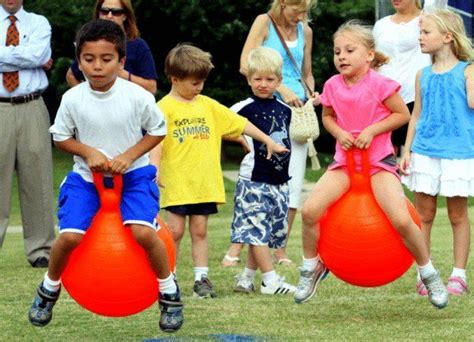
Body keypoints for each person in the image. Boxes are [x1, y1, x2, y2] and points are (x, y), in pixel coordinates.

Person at [27, 20, 183, 333]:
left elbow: (158, 131)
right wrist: (87, 152)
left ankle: (168, 293)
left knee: (142, 233)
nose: (97, 66)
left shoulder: (137, 96)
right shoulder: (73, 99)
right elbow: (60, 136)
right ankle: (49, 289)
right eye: (89, 59)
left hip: (135, 177)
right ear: (79, 59)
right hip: (86, 179)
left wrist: (129, 156)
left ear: (121, 61)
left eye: (106, 59)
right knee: (69, 236)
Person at [293, 20, 448, 309]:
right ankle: (311, 267)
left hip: (378, 164)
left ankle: (428, 272)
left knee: (402, 219)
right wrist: (339, 133)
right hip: (344, 165)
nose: (341, 56)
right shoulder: (332, 85)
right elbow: (327, 117)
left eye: (349, 50)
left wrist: (372, 130)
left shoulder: (380, 84)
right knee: (311, 211)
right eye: (337, 51)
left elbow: (401, 115)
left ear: (368, 55)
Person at [149, 44, 289, 299]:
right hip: (177, 183)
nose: (199, 87)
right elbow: (156, 141)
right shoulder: (163, 108)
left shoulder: (208, 105)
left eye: (202, 82)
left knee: (200, 230)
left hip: (204, 183)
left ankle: (201, 279)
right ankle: (169, 278)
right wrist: (154, 169)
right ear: (175, 79)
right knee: (175, 231)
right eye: (194, 83)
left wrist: (266, 140)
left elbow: (240, 124)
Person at [222, 0, 319, 268]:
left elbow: (306, 74)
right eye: (297, 11)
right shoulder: (263, 22)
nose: (301, 18)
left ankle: (280, 249)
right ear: (283, 3)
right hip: (267, 110)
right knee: (258, 180)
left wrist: (311, 93)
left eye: (305, 13)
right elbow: (245, 65)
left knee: (292, 182)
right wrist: (279, 89)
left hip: (296, 116)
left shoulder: (305, 31)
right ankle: (237, 245)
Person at [400, 9, 474, 296]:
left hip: (458, 153)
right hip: (425, 152)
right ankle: (425, 272)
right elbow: (416, 116)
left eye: (425, 32)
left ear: (447, 37)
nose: (420, 38)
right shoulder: (423, 75)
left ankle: (458, 275)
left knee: (457, 215)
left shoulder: (468, 70)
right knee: (424, 215)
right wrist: (406, 151)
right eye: (420, 32)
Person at [231, 47, 296, 295]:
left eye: (269, 79)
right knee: (256, 230)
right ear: (249, 79)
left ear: (279, 81)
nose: (263, 84)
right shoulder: (243, 107)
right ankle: (270, 281)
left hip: (279, 180)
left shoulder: (285, 110)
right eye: (257, 79)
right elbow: (223, 123)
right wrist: (240, 140)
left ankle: (246, 277)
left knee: (264, 232)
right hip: (254, 180)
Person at [0, 0, 55, 268]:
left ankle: (41, 249)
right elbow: (34, 57)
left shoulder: (39, 23)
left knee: (38, 179)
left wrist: (8, 55)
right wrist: (30, 56)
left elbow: (38, 55)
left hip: (32, 104)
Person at [373, 0, 431, 156]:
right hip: (385, 98)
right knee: (385, 152)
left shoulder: (427, 20)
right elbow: (373, 59)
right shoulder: (381, 25)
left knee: (414, 153)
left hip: (416, 96)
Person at [65, 0, 157, 94]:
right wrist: (88, 98)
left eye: (116, 12)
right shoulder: (90, 42)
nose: (109, 16)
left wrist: (124, 75)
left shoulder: (138, 45)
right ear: (98, 13)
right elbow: (71, 75)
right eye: (104, 11)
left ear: (125, 15)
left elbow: (152, 88)